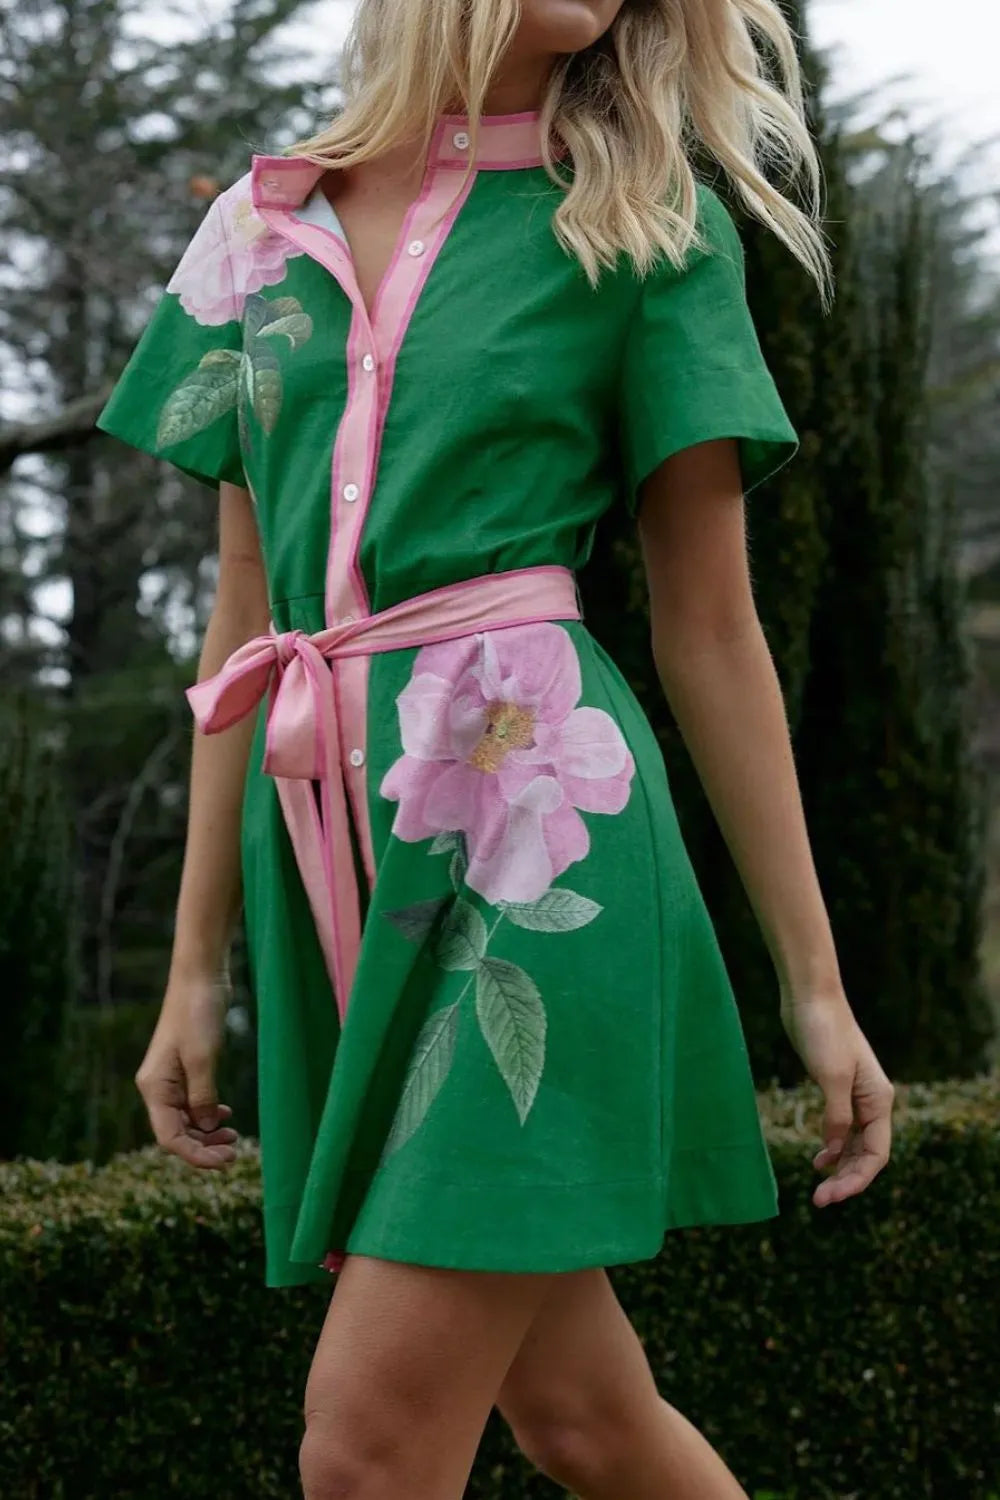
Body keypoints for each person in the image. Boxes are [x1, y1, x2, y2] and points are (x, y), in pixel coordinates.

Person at [96, 0, 896, 1495]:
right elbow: (244, 624)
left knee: (365, 1450)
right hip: (327, 858)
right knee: (587, 1422)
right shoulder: (256, 233)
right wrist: (194, 967)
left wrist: (817, 981)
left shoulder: (642, 226)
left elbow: (713, 630)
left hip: (539, 861)